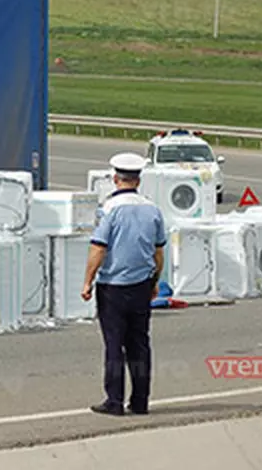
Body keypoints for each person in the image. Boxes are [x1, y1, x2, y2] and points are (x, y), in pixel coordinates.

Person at [81, 152, 166, 416]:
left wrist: (87, 281)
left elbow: (99, 248)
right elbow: (158, 252)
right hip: (141, 284)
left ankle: (114, 400)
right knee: (140, 344)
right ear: (138, 181)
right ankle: (140, 401)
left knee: (114, 344)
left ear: (116, 178)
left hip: (113, 286)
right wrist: (154, 282)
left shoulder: (109, 209)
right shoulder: (153, 209)